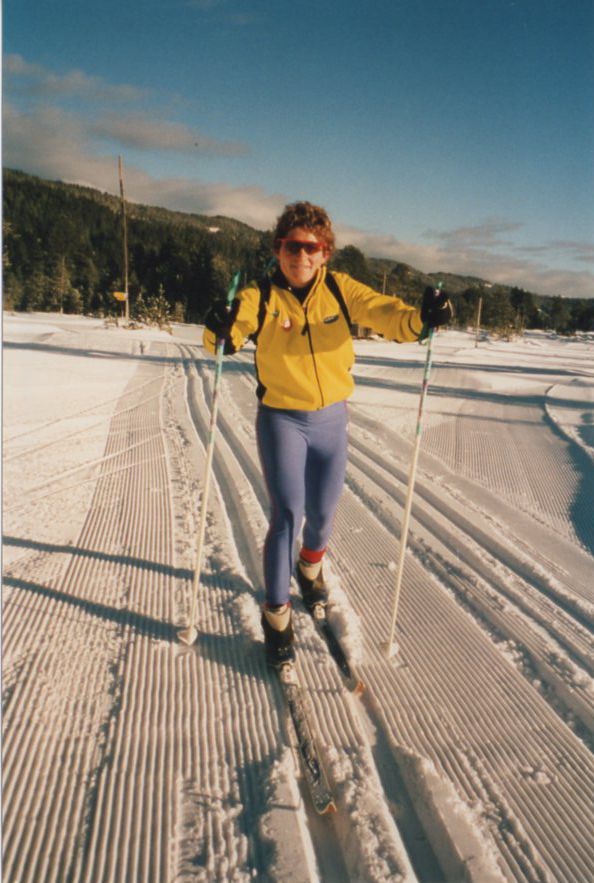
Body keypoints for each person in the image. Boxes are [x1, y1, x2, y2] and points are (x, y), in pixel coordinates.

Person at [203, 201, 452, 667]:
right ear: (279, 249)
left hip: (332, 421)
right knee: (286, 516)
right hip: (283, 420)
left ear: (324, 253)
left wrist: (423, 320)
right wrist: (220, 330)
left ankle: (310, 568)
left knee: (322, 515)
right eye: (291, 246)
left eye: (310, 247)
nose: (300, 255)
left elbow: (385, 312)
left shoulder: (339, 289)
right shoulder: (262, 295)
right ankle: (276, 617)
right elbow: (230, 328)